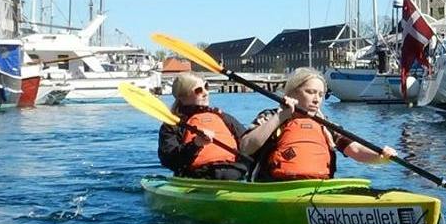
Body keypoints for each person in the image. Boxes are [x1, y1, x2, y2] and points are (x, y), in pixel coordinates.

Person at [238, 68, 393, 181]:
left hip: (316, 188)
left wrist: (380, 156)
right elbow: (245, 147)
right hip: (273, 188)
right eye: (310, 92)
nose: (317, 99)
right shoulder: (270, 117)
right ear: (292, 93)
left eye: (320, 94)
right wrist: (282, 115)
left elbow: (355, 149)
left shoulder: (325, 124)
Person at [157, 74, 250, 180]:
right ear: (182, 96)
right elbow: (169, 160)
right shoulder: (173, 125)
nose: (206, 93)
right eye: (198, 90)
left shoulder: (222, 117)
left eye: (206, 87)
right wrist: (195, 144)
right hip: (197, 176)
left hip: (234, 172)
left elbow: (248, 143)